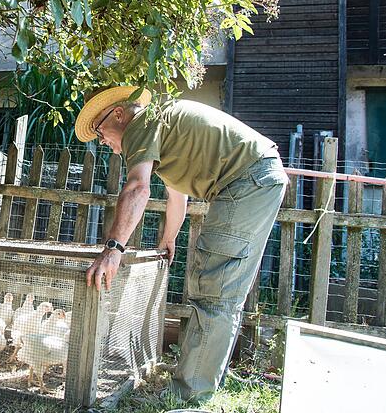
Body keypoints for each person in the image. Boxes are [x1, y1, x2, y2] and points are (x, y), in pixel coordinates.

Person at [76, 87, 288, 402]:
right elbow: (178, 195)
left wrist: (113, 250)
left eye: (99, 130)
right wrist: (169, 237)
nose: (102, 140)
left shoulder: (142, 125)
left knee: (215, 289)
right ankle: (198, 380)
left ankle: (188, 396)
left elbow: (137, 188)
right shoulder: (163, 131)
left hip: (248, 179)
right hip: (256, 177)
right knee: (219, 288)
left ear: (118, 113)